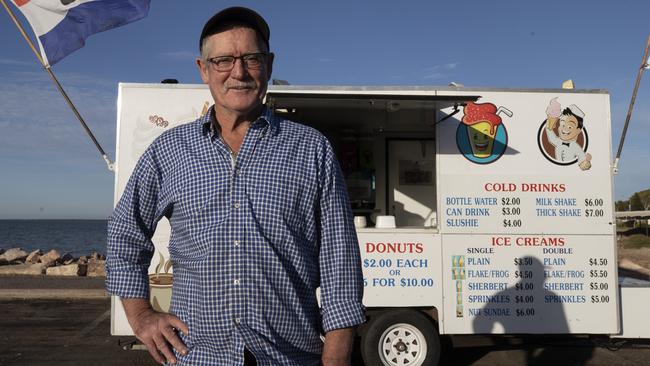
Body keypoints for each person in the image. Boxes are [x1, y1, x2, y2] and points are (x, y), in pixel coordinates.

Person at [106, 7, 365, 366]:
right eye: (223, 60)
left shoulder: (311, 149)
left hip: (289, 357)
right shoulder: (169, 150)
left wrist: (336, 356)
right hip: (195, 356)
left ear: (270, 65)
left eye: (252, 59)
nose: (238, 72)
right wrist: (141, 316)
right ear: (203, 69)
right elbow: (124, 234)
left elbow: (340, 260)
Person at [544, 98, 592, 170]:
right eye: (562, 125)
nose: (565, 129)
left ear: (578, 130)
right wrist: (549, 122)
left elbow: (582, 163)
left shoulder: (576, 147)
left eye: (570, 127)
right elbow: (551, 137)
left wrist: (586, 162)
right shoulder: (558, 142)